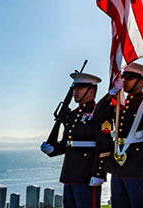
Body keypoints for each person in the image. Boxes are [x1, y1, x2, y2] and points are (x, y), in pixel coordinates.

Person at [96, 62, 143, 208]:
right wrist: (111, 93)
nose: (124, 81)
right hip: (118, 167)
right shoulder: (119, 105)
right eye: (123, 77)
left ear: (141, 82)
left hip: (139, 168)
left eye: (129, 78)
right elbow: (97, 116)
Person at [40, 71, 109, 208]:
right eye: (75, 89)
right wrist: (52, 150)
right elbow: (68, 142)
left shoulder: (99, 112)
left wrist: (98, 173)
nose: (75, 92)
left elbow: (104, 145)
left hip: (87, 174)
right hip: (70, 173)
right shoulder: (72, 115)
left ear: (91, 91)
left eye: (80, 88)